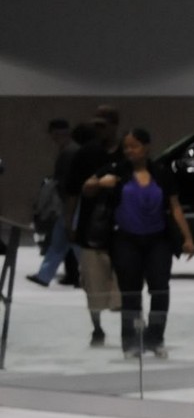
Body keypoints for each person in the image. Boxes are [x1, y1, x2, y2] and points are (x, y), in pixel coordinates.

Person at [101, 128, 194, 357]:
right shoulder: (118, 172)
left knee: (160, 289)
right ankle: (130, 340)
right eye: (126, 147)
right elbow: (87, 186)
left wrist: (187, 237)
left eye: (134, 146)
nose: (129, 151)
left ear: (146, 147)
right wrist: (99, 183)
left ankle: (155, 337)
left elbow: (175, 207)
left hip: (158, 239)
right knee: (131, 291)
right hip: (126, 238)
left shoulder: (162, 173)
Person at [62, 124, 123, 346]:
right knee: (92, 283)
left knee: (126, 284)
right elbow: (74, 191)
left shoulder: (125, 156)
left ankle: (128, 326)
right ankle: (97, 328)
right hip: (92, 229)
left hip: (123, 230)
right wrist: (69, 222)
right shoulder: (86, 155)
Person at [28, 118, 72, 287]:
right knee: (59, 242)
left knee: (71, 244)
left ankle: (44, 275)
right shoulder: (69, 150)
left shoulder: (67, 152)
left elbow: (65, 181)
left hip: (69, 203)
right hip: (67, 203)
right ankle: (44, 275)